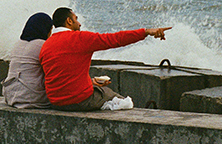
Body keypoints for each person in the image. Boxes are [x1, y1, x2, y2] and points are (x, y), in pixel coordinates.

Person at [41, 6, 171, 111]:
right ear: (69, 21)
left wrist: (90, 81)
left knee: (100, 90)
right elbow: (115, 39)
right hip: (79, 101)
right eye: (76, 19)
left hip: (56, 103)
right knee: (124, 104)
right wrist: (146, 32)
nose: (79, 23)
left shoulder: (46, 45)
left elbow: (63, 75)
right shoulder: (80, 38)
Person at [2, 12, 55, 108]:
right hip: (31, 98)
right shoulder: (43, 45)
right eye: (50, 30)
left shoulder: (17, 44)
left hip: (9, 95)